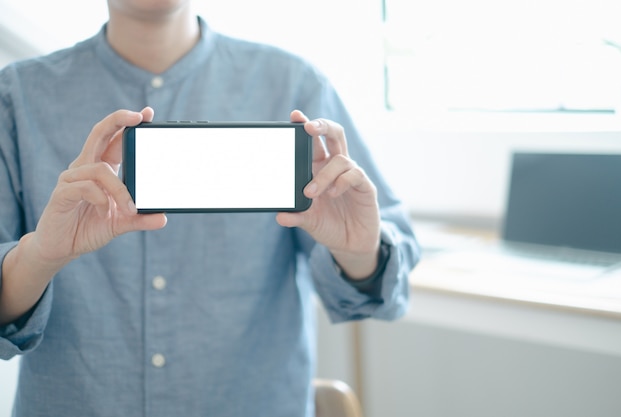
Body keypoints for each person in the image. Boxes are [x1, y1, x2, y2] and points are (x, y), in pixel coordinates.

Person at [0, 1, 420, 416]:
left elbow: (382, 290)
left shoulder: (294, 84)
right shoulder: (16, 96)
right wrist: (39, 256)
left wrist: (360, 252)